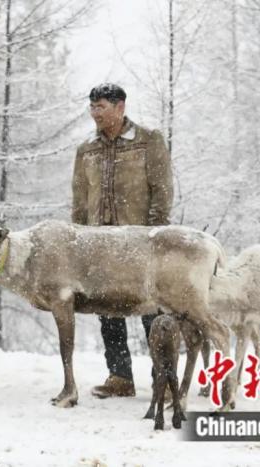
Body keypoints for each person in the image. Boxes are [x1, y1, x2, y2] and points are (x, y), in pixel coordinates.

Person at [72, 83, 173, 398]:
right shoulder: (86, 149)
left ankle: (163, 378)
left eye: (101, 106)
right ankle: (119, 376)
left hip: (141, 243)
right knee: (108, 312)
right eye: (92, 107)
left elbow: (162, 189)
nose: (95, 113)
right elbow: (79, 199)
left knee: (153, 311)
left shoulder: (147, 140)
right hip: (99, 245)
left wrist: (155, 234)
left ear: (120, 107)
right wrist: (79, 238)